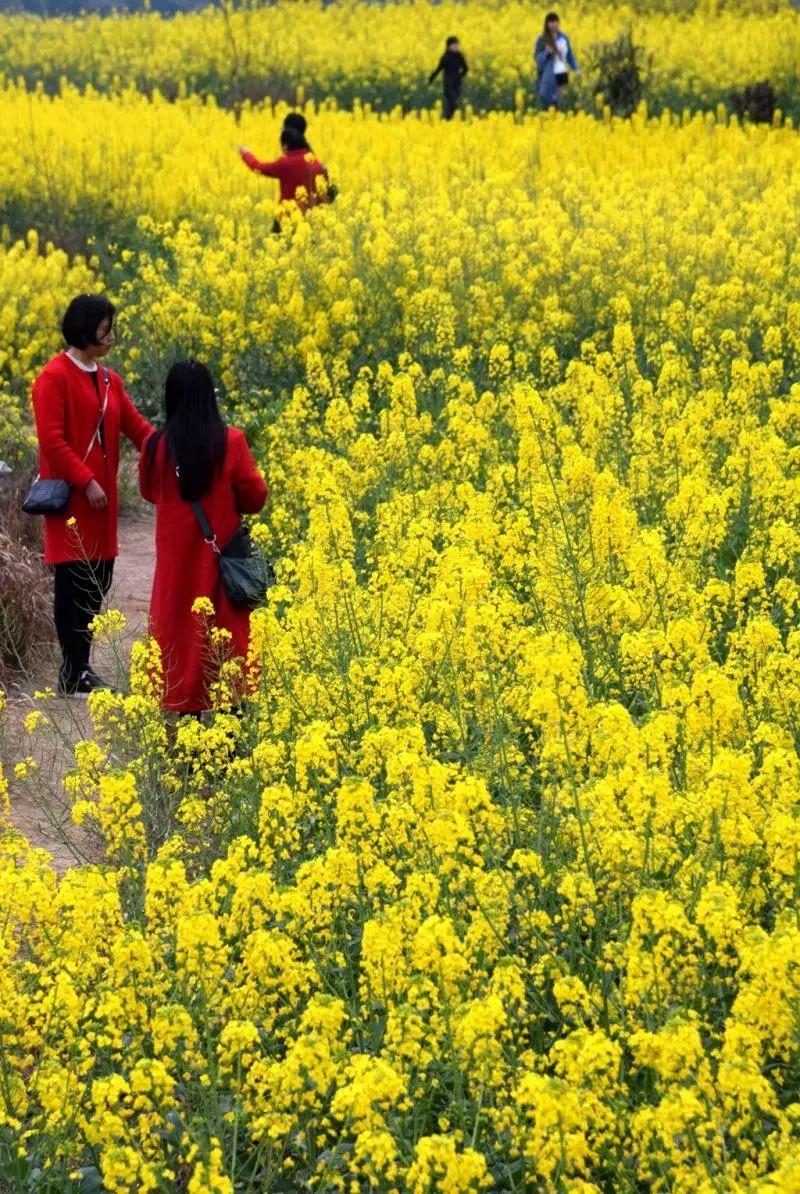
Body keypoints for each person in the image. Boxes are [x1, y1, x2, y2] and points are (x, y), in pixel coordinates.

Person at [31, 295, 152, 697]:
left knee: (99, 580)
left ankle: (81, 668)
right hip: (74, 501)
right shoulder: (53, 376)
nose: (112, 336)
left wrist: (172, 448)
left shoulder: (108, 380)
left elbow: (137, 429)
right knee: (73, 585)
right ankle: (74, 670)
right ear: (85, 332)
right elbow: (51, 440)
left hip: (104, 505)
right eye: (105, 329)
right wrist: (86, 480)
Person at [139, 359, 267, 715]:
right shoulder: (232, 442)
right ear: (209, 398)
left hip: (176, 568)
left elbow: (150, 491)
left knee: (178, 635)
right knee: (227, 643)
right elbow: (255, 498)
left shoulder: (156, 447)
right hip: (220, 562)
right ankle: (229, 732)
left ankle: (186, 718)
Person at [238, 126, 327, 231]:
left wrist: (245, 153)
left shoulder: (285, 163)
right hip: (310, 220)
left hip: (285, 219)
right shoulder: (316, 163)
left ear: (285, 146)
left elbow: (258, 167)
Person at [535, 12, 579, 110]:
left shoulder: (564, 38)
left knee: (558, 101)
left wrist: (575, 68)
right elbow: (537, 57)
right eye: (550, 22)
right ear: (546, 24)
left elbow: (569, 55)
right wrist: (547, 52)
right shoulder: (542, 39)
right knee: (544, 97)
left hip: (561, 71)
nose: (553, 24)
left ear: (558, 23)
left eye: (555, 21)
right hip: (546, 73)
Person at [428, 36, 468, 121]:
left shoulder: (459, 56)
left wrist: (459, 77)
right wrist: (431, 78)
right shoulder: (445, 57)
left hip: (457, 84)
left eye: (457, 44)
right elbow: (439, 69)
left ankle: (447, 123)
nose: (456, 46)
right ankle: (448, 123)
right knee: (453, 104)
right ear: (449, 46)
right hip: (448, 84)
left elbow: (466, 68)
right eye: (454, 45)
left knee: (452, 106)